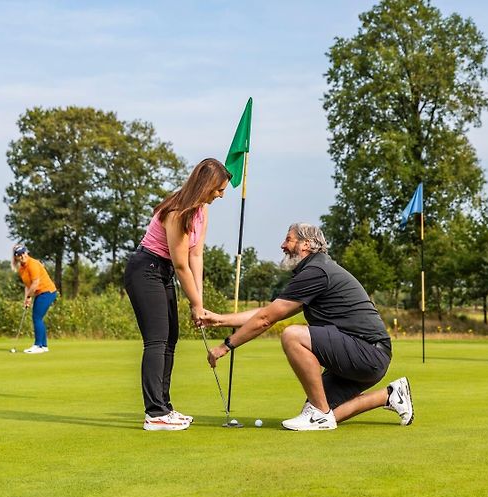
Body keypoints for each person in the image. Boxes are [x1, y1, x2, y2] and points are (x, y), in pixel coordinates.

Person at [203, 223, 413, 431]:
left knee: (292, 335)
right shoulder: (316, 269)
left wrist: (225, 347)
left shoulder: (316, 271)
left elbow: (266, 319)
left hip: (367, 353)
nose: (282, 245)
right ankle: (389, 394)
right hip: (368, 355)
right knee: (320, 410)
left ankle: (320, 414)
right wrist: (220, 319)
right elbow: (271, 312)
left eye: (288, 239)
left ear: (306, 244)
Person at [124, 158, 231, 431]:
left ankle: (165, 408)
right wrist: (194, 304)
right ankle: (154, 413)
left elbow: (196, 256)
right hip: (145, 269)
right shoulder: (177, 211)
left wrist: (201, 302)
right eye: (218, 189)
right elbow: (181, 263)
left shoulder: (201, 211)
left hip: (163, 271)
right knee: (157, 340)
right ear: (206, 185)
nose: (220, 195)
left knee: (171, 338)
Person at [11, 244, 58, 354]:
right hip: (40, 293)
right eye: (19, 254)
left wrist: (29, 296)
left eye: (23, 253)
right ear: (16, 257)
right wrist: (26, 299)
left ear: (26, 252)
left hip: (47, 291)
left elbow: (35, 283)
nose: (22, 256)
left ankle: (38, 345)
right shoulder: (22, 269)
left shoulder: (32, 264)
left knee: (37, 318)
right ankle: (44, 346)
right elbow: (28, 285)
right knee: (38, 318)